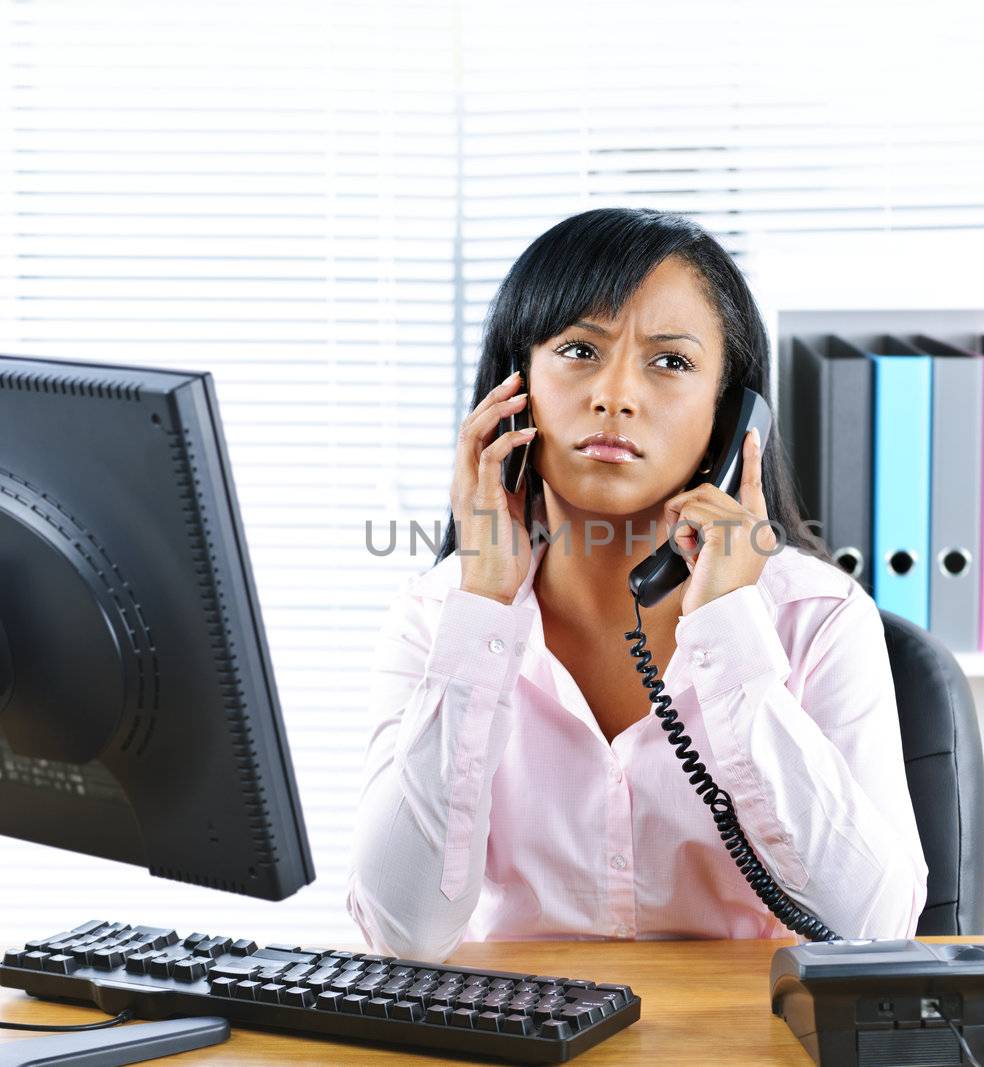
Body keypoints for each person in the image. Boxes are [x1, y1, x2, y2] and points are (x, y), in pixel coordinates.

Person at [346, 207, 927, 962]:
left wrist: (729, 629)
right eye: (580, 349)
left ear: (733, 417)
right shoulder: (436, 619)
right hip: (520, 1037)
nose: (615, 394)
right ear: (513, 386)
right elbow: (403, 932)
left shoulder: (816, 617)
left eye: (670, 361)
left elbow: (880, 931)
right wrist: (485, 602)